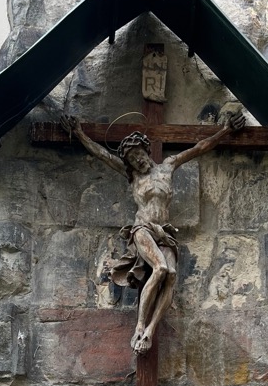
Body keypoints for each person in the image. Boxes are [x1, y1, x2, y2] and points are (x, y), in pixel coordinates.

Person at [61, 111, 245, 353]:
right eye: (132, 159)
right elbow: (103, 154)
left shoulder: (168, 166)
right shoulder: (133, 178)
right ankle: (139, 326)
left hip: (164, 231)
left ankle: (150, 330)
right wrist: (79, 133)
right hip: (143, 228)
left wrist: (226, 130)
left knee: (171, 274)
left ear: (146, 151)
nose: (138, 161)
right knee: (160, 268)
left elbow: (199, 147)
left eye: (139, 154)